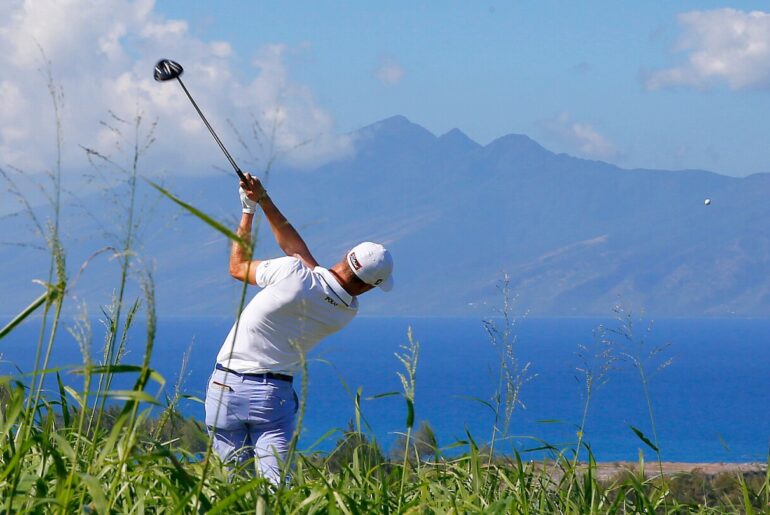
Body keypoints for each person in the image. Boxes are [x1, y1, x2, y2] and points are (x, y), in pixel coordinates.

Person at [204, 173, 394, 483]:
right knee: (275, 488)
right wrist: (263, 199)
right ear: (369, 288)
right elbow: (302, 256)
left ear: (346, 257)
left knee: (231, 487)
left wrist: (249, 210)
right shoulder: (346, 311)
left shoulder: (293, 273)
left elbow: (238, 267)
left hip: (225, 387)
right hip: (272, 397)